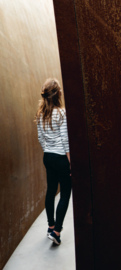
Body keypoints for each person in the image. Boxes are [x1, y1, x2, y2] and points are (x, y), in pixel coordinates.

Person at [35, 78, 71, 245]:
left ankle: (50, 226)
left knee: (51, 190)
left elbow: (40, 138)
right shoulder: (62, 113)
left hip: (48, 156)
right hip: (61, 158)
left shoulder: (41, 115)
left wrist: (48, 153)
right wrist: (71, 163)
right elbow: (65, 141)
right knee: (64, 193)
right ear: (58, 94)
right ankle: (56, 232)